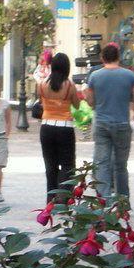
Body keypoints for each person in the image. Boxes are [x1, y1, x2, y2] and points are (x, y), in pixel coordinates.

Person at [85, 42, 134, 201]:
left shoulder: (95, 76)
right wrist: (124, 96)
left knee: (102, 163)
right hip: (122, 124)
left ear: (102, 58)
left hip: (102, 123)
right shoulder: (129, 75)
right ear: (118, 57)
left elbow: (89, 101)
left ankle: (103, 200)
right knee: (121, 165)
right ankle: (123, 201)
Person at [39, 52, 81, 202]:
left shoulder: (42, 84)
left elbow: (41, 102)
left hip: (46, 127)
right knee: (68, 165)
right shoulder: (70, 85)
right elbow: (76, 104)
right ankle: (64, 199)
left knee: (50, 165)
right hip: (65, 127)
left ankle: (50, 199)